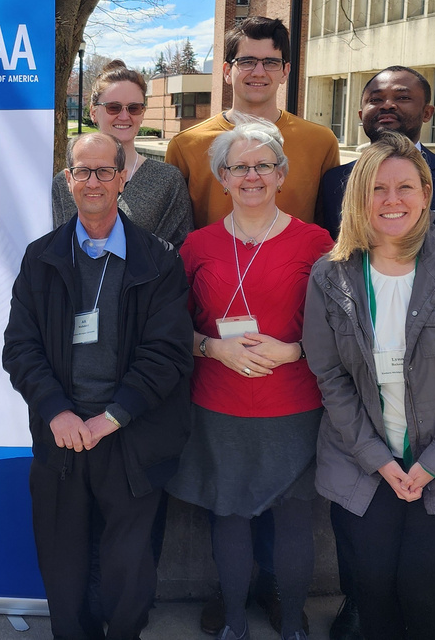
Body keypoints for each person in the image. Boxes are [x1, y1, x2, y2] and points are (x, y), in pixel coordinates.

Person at [313, 66, 435, 639]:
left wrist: (428, 465)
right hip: (364, 459)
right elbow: (331, 379)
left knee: (418, 583)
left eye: (404, 188)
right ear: (357, 198)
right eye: (376, 189)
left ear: (426, 195)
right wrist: (382, 462)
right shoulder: (331, 274)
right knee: (372, 585)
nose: (390, 201)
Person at [3, 132, 193, 640]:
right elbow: (20, 348)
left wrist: (112, 417)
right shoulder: (40, 257)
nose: (93, 181)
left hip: (130, 435)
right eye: (82, 171)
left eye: (104, 171)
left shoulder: (159, 260)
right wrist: (56, 412)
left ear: (122, 176)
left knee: (128, 566)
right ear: (67, 180)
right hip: (61, 435)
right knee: (63, 564)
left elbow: (168, 353)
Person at [167, 121, 334, 640]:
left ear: (282, 175)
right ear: (223, 177)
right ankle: (234, 622)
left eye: (264, 164)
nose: (252, 175)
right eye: (240, 166)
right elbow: (173, 329)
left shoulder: (317, 242)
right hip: (219, 403)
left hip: (294, 403)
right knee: (230, 516)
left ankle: (291, 626)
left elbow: (341, 328)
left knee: (292, 520)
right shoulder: (196, 246)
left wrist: (295, 349)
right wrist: (211, 346)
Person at [167, 16, 340, 229]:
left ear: (285, 71)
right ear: (227, 72)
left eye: (270, 62)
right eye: (247, 62)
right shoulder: (185, 145)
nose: (259, 72)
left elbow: (331, 227)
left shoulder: (320, 142)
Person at [314, 66, 435, 257]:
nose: (387, 105)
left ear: (427, 113)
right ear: (361, 115)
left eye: (403, 98)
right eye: (375, 100)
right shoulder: (334, 180)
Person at [53, 60, 193, 245]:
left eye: (134, 108)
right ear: (94, 112)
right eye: (114, 107)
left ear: (142, 113)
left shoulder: (167, 181)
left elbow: (180, 253)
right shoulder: (67, 183)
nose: (124, 116)